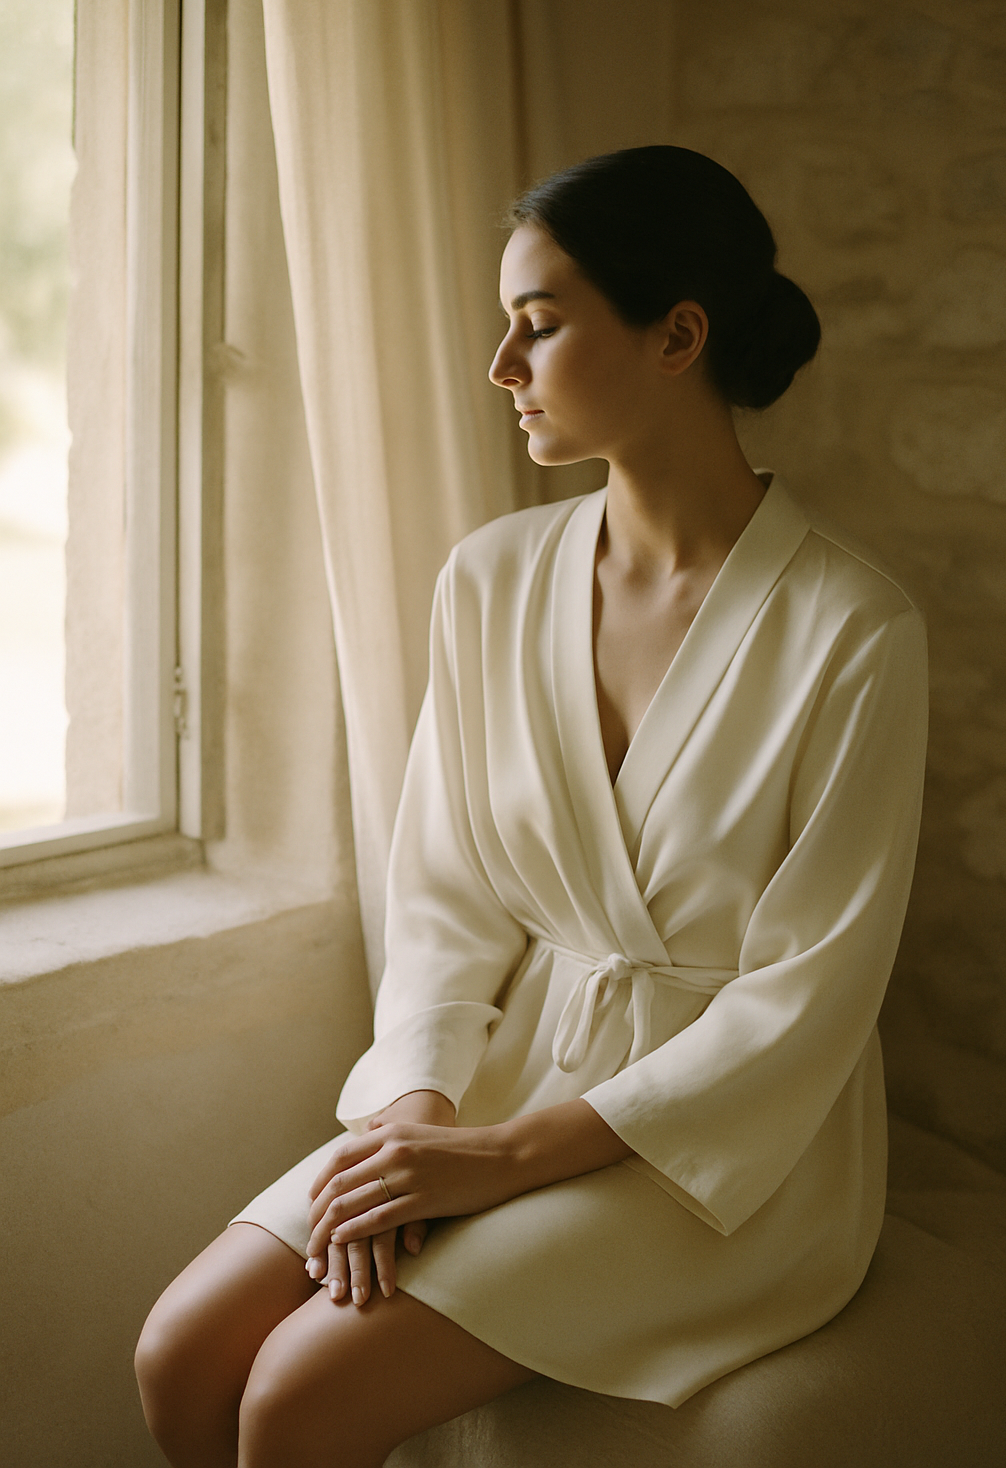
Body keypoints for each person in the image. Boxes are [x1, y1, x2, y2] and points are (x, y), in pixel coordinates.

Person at [135, 145, 928, 1468]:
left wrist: (505, 1164)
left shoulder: (853, 630)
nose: (500, 366)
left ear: (678, 335)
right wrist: (422, 1112)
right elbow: (443, 892)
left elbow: (809, 1001)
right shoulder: (492, 582)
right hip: (497, 1082)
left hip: (722, 1142)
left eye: (540, 327)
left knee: (296, 1396)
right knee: (185, 1351)